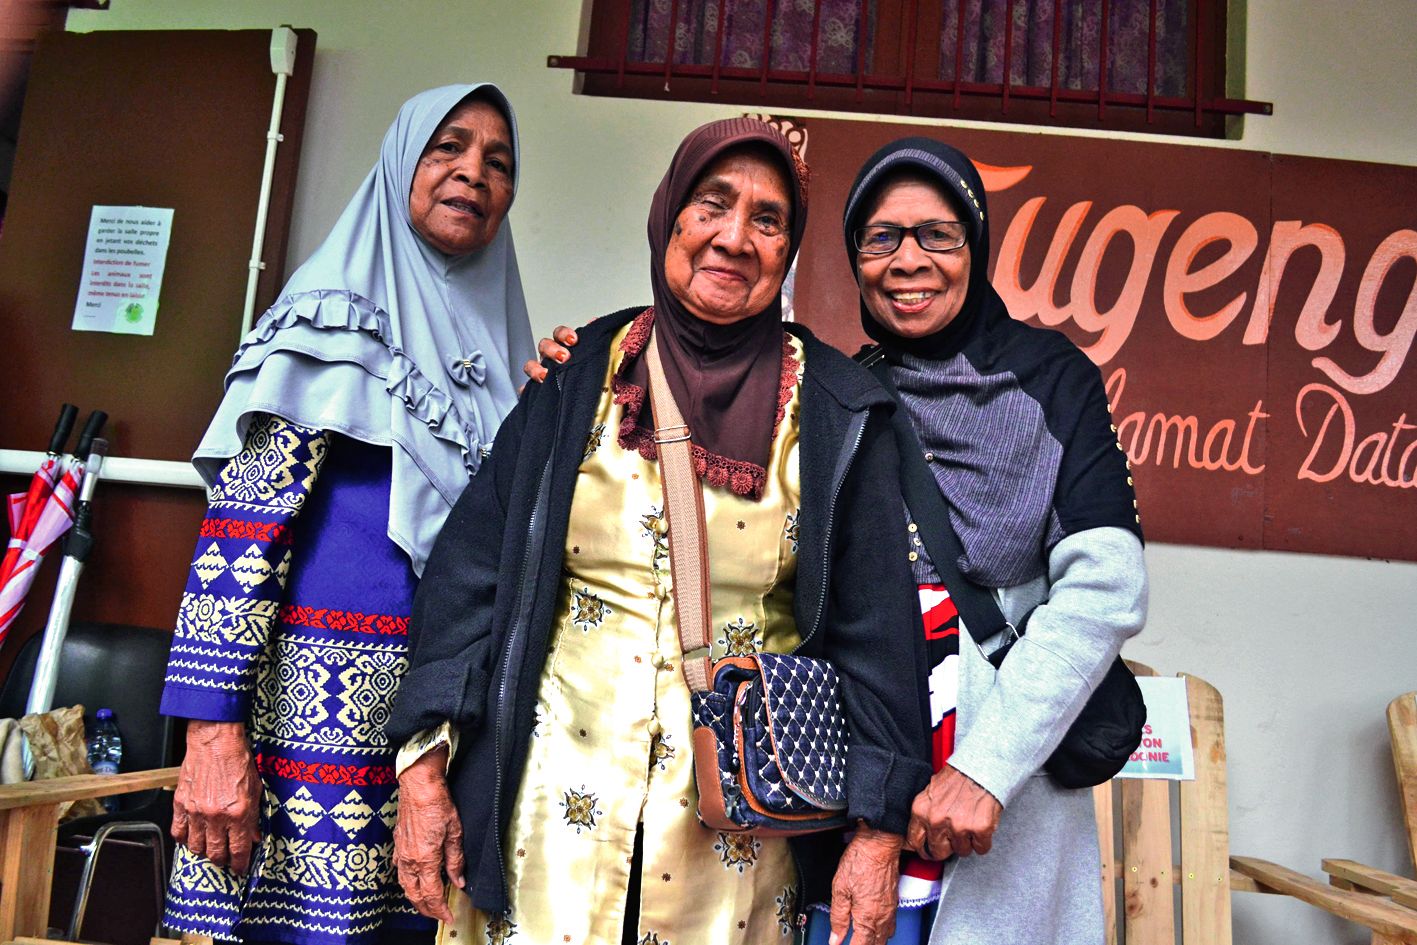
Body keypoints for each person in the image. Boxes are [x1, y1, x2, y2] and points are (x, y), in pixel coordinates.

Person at [532, 135, 1148, 945]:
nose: (907, 260)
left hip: (997, 778)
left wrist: (984, 769)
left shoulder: (1051, 380)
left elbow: (1105, 588)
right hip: (846, 773)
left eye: (937, 234)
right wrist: (583, 370)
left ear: (976, 245)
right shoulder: (837, 390)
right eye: (880, 237)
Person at [386, 117, 931, 945]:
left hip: (740, 839)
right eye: (711, 204)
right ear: (668, 216)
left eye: (767, 220)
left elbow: (878, 635)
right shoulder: (576, 378)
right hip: (547, 819)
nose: (733, 238)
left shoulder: (836, 411)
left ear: (788, 251)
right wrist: (425, 773)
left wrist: (876, 831)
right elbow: (469, 578)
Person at [158, 83, 535, 945]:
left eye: (499, 161)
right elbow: (239, 536)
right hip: (310, 722)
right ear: (401, 163)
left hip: (444, 732)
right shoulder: (328, 315)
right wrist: (211, 731)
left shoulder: (507, 354)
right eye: (447, 147)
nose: (472, 173)